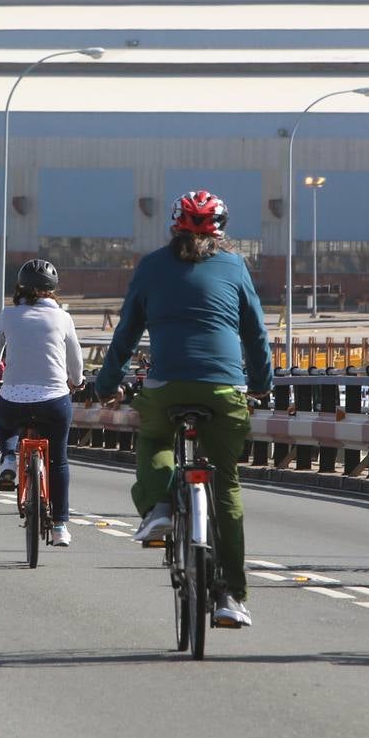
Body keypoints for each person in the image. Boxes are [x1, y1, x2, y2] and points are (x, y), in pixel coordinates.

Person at [93, 190, 272, 629]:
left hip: (167, 386)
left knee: (154, 437)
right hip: (225, 389)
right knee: (226, 484)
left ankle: (157, 507)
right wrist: (263, 385)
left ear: (174, 226)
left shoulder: (152, 266)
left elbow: (127, 333)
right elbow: (256, 333)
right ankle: (232, 594)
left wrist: (106, 382)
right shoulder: (234, 266)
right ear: (221, 230)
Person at [0, 259, 84, 547]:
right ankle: (61, 526)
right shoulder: (63, 318)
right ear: (53, 290)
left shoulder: (8, 315)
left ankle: (10, 458)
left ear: (20, 287)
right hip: (53, 400)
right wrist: (77, 381)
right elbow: (75, 361)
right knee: (59, 461)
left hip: (13, 399)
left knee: (3, 421)